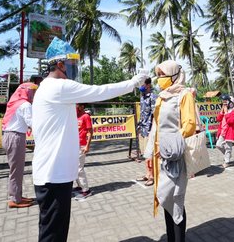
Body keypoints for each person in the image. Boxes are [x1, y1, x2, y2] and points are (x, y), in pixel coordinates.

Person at [31, 37, 148, 242]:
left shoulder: (48, 88)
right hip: (53, 175)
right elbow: (99, 91)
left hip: (51, 173)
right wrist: (133, 83)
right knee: (53, 235)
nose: (73, 69)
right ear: (60, 64)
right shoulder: (58, 87)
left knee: (50, 231)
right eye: (71, 64)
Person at [152, 60, 196, 242]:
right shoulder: (162, 97)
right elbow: (157, 125)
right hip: (160, 156)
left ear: (174, 75)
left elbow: (190, 125)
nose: (159, 79)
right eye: (158, 75)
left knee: (176, 200)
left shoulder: (184, 95)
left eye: (163, 75)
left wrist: (169, 143)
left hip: (175, 154)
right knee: (166, 199)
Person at [2, 82, 38, 208]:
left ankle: (17, 195)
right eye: (32, 91)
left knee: (16, 168)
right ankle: (15, 199)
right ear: (26, 91)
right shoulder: (25, 104)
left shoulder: (16, 102)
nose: (33, 94)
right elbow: (32, 123)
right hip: (16, 137)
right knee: (16, 169)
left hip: (11, 136)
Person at [136, 78, 157, 186]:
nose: (141, 86)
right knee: (145, 153)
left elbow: (155, 115)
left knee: (150, 155)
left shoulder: (153, 97)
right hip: (143, 128)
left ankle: (152, 176)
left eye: (143, 84)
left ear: (148, 84)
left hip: (149, 129)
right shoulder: (142, 97)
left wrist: (152, 131)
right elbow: (142, 113)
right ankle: (147, 174)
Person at [73, 103, 94, 200]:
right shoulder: (75, 116)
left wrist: (87, 146)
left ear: (82, 106)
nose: (75, 108)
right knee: (74, 167)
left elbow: (90, 132)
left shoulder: (86, 116)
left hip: (81, 145)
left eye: (77, 106)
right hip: (73, 145)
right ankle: (79, 186)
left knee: (79, 168)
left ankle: (86, 190)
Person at [216, 94, 234, 168]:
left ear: (230, 103)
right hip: (222, 132)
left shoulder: (232, 112)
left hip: (229, 133)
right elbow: (218, 119)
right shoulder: (225, 111)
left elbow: (230, 122)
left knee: (228, 147)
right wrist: (222, 111)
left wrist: (226, 113)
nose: (224, 104)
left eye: (225, 102)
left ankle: (227, 161)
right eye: (223, 103)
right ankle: (227, 155)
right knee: (218, 145)